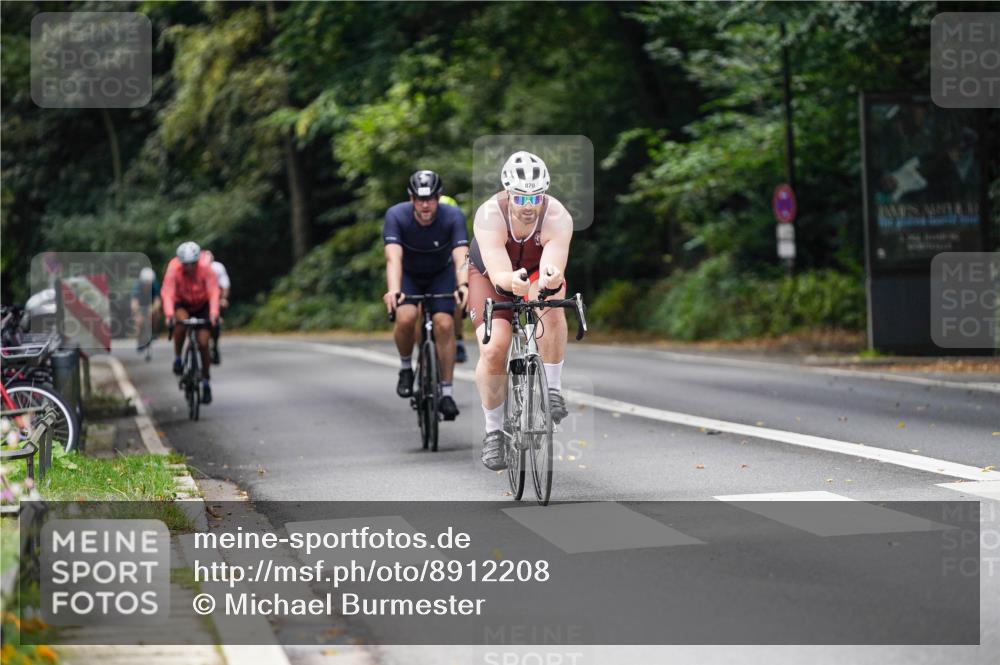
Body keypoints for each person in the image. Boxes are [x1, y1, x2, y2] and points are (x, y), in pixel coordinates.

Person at [467, 151, 573, 470]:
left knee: (552, 305)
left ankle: (552, 390)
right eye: (522, 198)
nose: (529, 206)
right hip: (490, 274)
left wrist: (550, 280)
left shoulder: (558, 216)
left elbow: (552, 267)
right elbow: (501, 275)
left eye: (536, 197)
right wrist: (512, 283)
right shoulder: (489, 215)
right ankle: (493, 433)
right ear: (508, 192)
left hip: (534, 270)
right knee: (494, 348)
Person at [382, 170, 469, 421]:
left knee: (445, 323)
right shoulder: (396, 215)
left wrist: (463, 284)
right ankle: (406, 368)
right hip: (409, 275)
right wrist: (394, 289)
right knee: (406, 317)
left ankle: (447, 393)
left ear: (438, 197)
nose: (425, 205)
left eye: (430, 199)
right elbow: (393, 257)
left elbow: (461, 254)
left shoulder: (452, 215)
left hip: (441, 273)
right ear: (411, 198)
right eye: (420, 199)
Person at [161, 242, 220, 404]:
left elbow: (214, 291)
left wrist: (214, 313)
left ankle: (206, 382)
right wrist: (169, 315)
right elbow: (168, 293)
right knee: (180, 325)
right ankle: (178, 358)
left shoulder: (206, 267)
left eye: (193, 264)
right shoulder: (174, 268)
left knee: (203, 343)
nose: (189, 268)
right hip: (182, 303)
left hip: (202, 304)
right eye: (186, 264)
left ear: (197, 261)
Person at [439, 194, 469, 364]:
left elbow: (462, 257)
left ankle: (458, 339)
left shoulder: (456, 225)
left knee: (456, 299)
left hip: (451, 268)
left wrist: (462, 284)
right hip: (429, 269)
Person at [131, 267, 161, 357]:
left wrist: (153, 308)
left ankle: (154, 332)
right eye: (146, 283)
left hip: (150, 305)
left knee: (156, 314)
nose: (147, 285)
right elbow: (134, 302)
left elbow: (157, 300)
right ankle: (140, 341)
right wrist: (137, 313)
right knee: (138, 322)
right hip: (140, 306)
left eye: (149, 283)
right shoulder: (137, 286)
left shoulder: (155, 285)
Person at [207, 255, 230, 365]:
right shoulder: (195, 269)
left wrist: (223, 299)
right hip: (199, 299)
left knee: (215, 323)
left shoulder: (218, 267)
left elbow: (225, 285)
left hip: (215, 298)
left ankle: (214, 345)